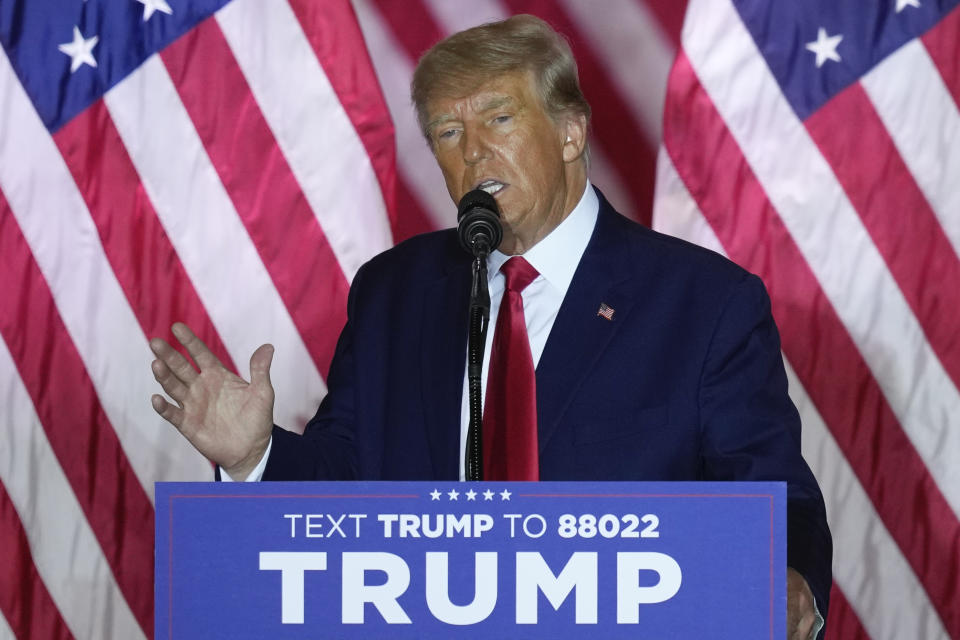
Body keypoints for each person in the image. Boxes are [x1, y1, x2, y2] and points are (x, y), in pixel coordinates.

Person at [149, 15, 830, 639]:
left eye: (499, 120)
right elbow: (345, 484)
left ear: (571, 132)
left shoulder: (704, 303)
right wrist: (255, 454)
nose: (473, 152)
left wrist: (788, 576)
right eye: (448, 133)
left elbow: (772, 492)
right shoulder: (395, 292)